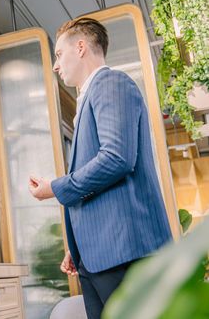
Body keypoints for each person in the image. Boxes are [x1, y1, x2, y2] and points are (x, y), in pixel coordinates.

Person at [28, 17, 172, 319]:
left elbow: (117, 158)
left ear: (80, 47)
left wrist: (55, 187)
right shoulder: (91, 97)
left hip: (125, 252)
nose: (56, 66)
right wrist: (79, 245)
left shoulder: (111, 83)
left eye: (58, 54)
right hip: (101, 255)